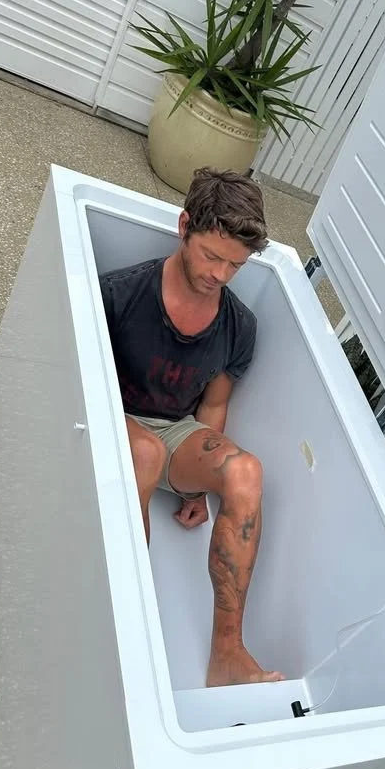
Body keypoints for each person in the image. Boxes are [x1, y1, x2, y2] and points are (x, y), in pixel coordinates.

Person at [100, 168, 284, 688]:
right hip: (115, 417)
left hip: (176, 432)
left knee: (245, 472)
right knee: (144, 456)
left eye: (235, 264)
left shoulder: (238, 326)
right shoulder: (122, 294)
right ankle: (121, 628)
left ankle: (227, 652)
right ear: (184, 226)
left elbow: (213, 408)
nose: (221, 274)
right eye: (212, 255)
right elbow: (81, 372)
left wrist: (202, 485)